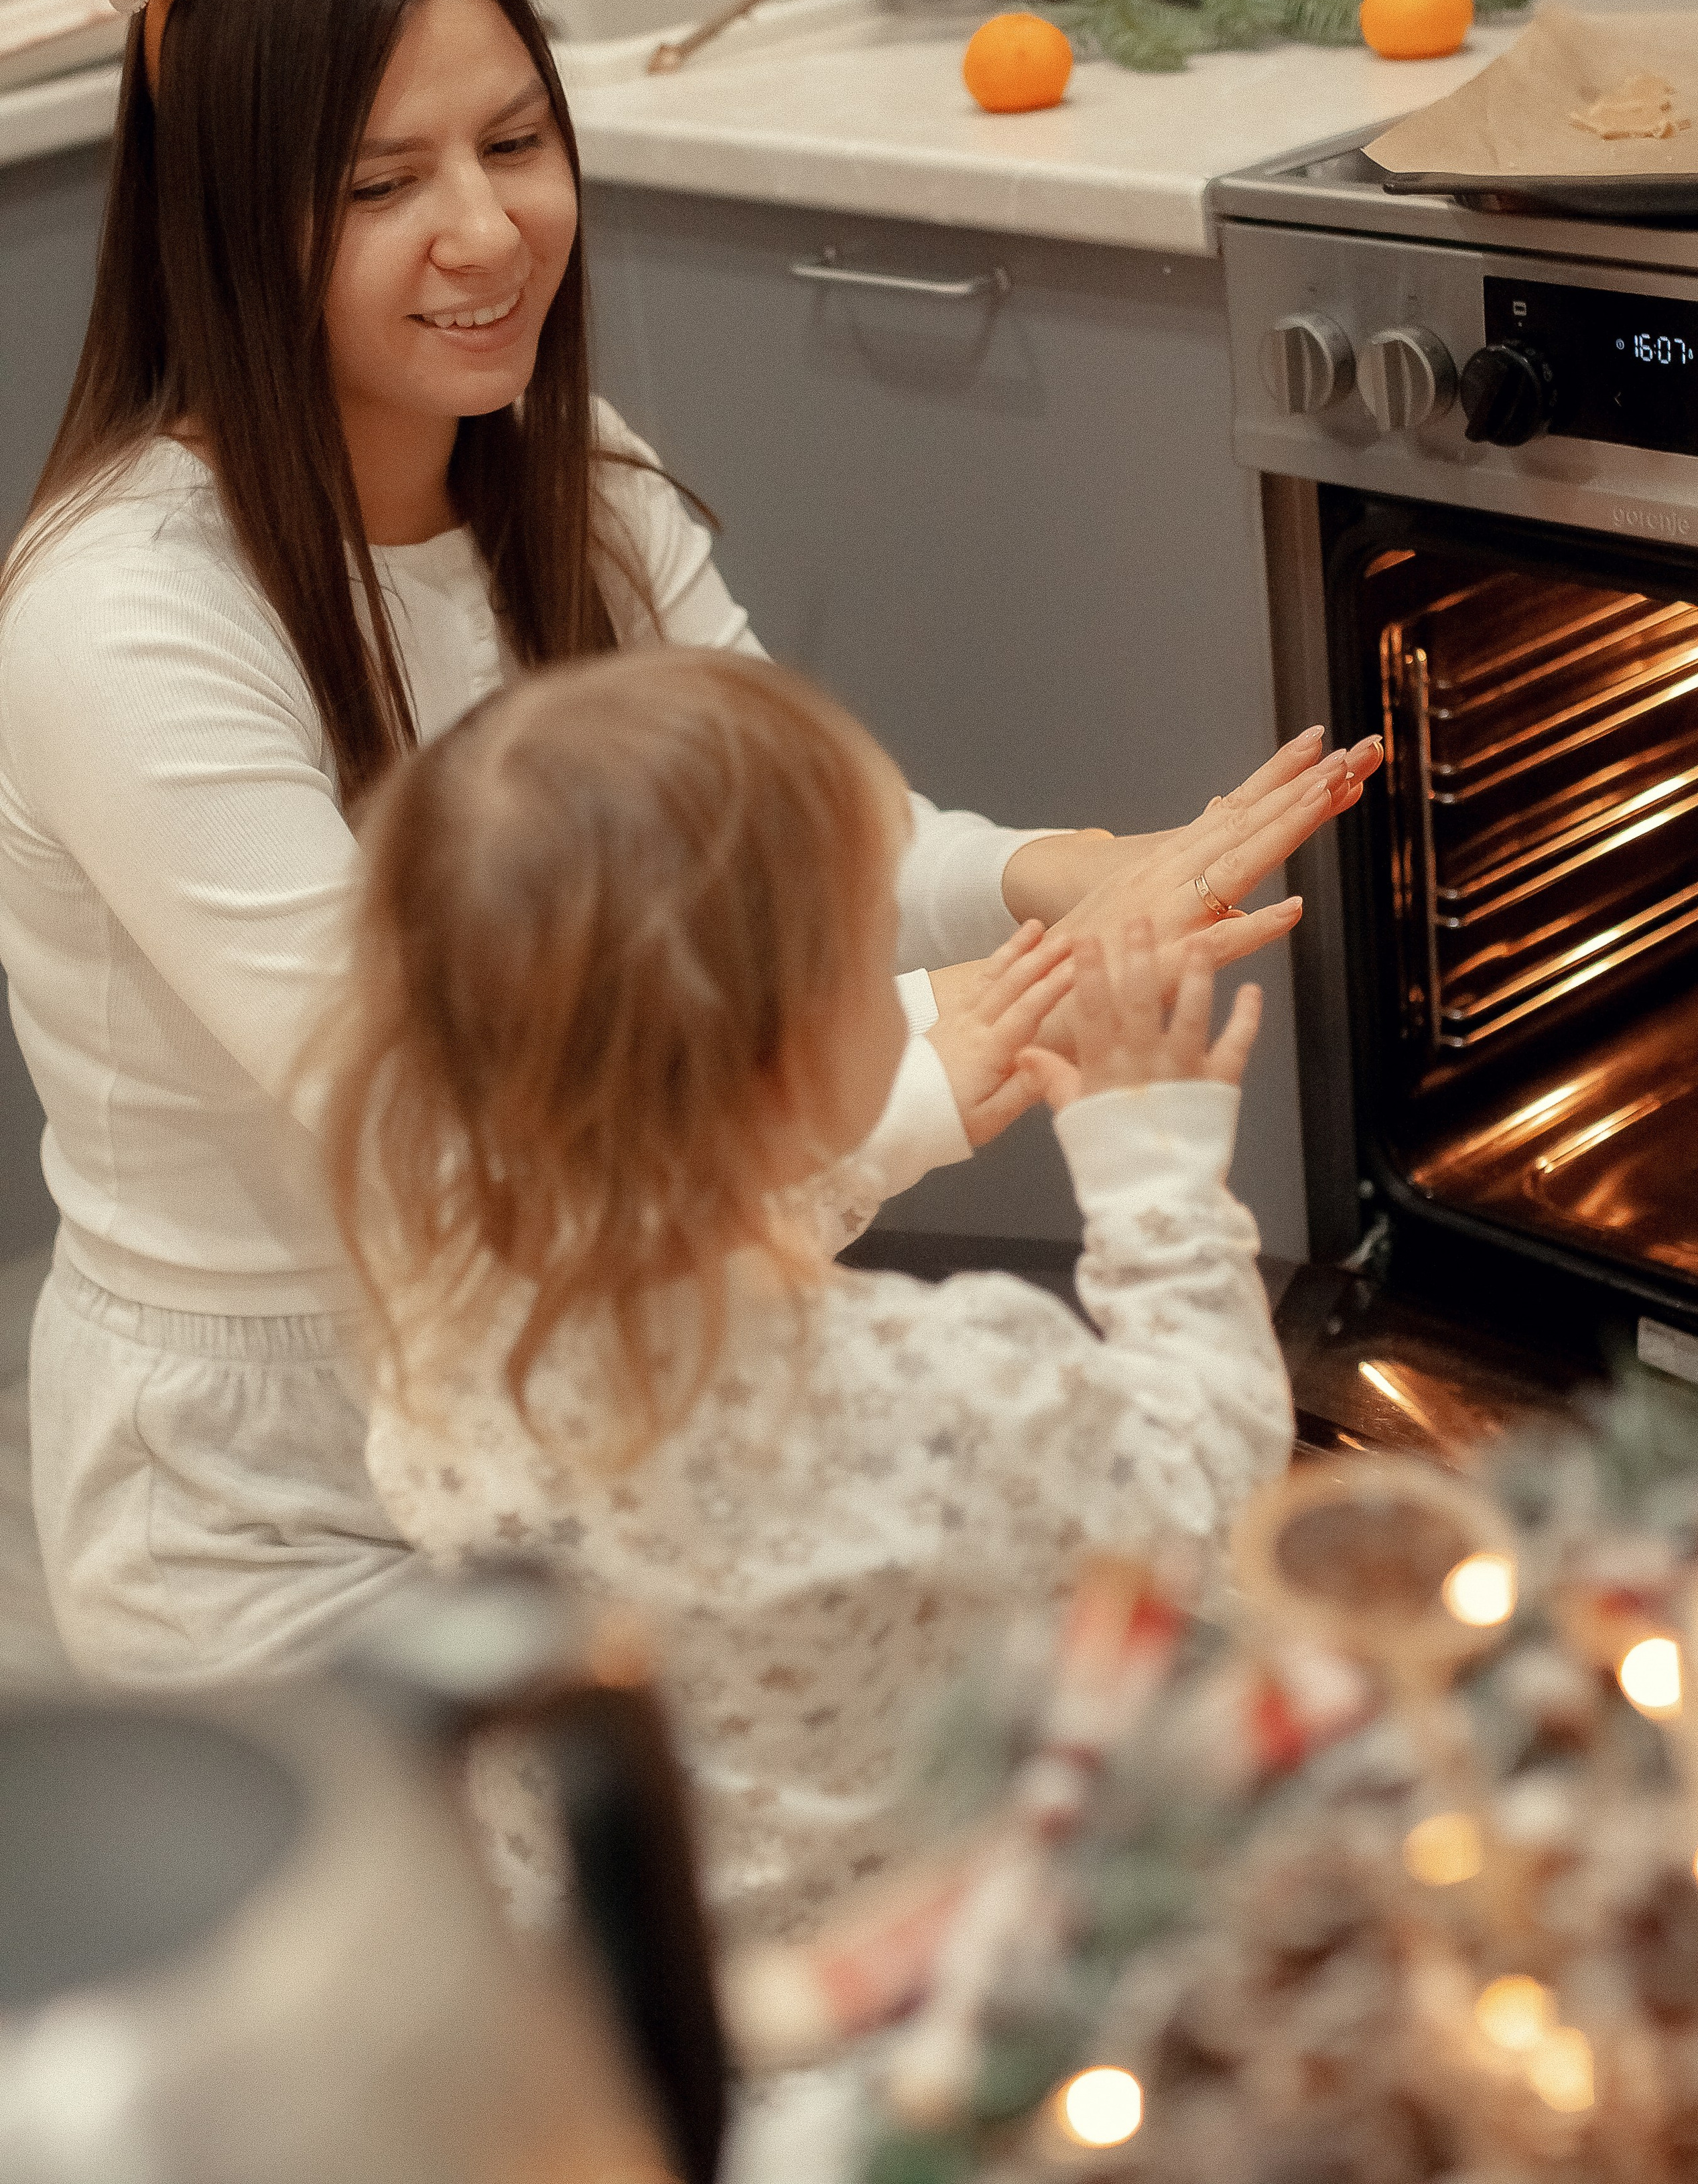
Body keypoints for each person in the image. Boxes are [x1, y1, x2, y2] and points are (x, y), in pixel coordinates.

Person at [0, 0, 1374, 1688]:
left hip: (619, 1410)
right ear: (225, 225)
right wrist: (936, 1074)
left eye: (515, 143)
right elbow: (447, 1144)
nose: (486, 234)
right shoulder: (121, 617)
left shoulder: (571, 474)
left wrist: (1058, 876)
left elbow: (805, 849)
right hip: (273, 1528)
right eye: (382, 186)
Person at [324, 646, 1294, 1941]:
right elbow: (1207, 1487)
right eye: (867, 936)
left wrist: (898, 1120)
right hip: (903, 1986)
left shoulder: (436, 1330)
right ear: (784, 1056)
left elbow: (670, 1246)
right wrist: (1151, 1171)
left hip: (629, 1976)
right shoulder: (928, 1386)